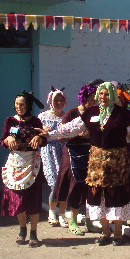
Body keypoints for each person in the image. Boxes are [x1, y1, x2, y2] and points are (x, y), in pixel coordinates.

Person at [45, 82, 130, 245]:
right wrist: (49, 134)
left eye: (107, 94)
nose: (103, 97)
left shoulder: (122, 114)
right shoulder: (91, 112)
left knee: (116, 196)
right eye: (101, 94)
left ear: (113, 95)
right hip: (96, 161)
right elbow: (70, 129)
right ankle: (105, 232)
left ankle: (117, 233)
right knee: (98, 196)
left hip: (117, 161)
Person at [51, 80, 101, 234]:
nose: (93, 103)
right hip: (73, 154)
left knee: (91, 189)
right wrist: (79, 134)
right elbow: (61, 134)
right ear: (83, 99)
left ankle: (89, 221)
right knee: (75, 186)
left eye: (95, 101)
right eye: (90, 100)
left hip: (90, 153)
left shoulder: (96, 114)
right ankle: (72, 220)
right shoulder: (72, 113)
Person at [0, 91, 46, 247]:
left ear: (28, 106)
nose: (19, 107)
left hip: (31, 162)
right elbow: (3, 140)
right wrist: (9, 138)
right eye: (17, 104)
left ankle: (33, 232)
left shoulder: (35, 121)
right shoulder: (10, 121)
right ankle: (22, 230)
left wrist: (39, 137)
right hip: (15, 162)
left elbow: (44, 138)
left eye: (22, 104)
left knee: (32, 198)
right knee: (16, 198)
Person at [38, 86, 67, 226]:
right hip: (49, 152)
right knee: (55, 184)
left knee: (64, 184)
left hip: (64, 151)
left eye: (61, 100)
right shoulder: (43, 116)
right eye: (56, 100)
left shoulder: (66, 116)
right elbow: (36, 132)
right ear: (51, 101)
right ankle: (51, 212)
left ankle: (62, 214)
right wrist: (43, 130)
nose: (59, 103)